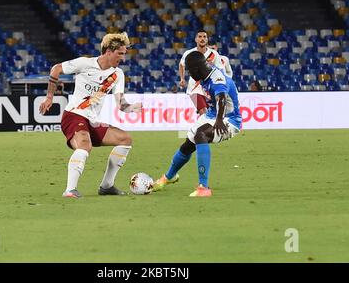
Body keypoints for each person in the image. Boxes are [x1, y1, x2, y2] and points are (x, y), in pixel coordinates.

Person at [39, 32, 142, 199]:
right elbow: (56, 69)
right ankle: (70, 190)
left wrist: (131, 108)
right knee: (85, 145)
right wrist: (49, 97)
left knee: (125, 139)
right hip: (74, 115)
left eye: (124, 54)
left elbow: (121, 104)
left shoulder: (118, 75)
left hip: (92, 121)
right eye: (120, 53)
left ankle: (107, 186)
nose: (122, 58)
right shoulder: (84, 63)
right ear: (108, 51)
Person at [153, 51, 241, 197]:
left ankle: (204, 188)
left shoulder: (217, 79)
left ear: (196, 69)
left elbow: (221, 98)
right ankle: (168, 177)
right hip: (211, 115)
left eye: (189, 71)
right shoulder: (205, 71)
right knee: (188, 146)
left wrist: (219, 120)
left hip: (228, 119)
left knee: (201, 134)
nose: (189, 75)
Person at [178, 30, 233, 115]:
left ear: (207, 40)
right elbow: (182, 64)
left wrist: (213, 67)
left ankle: (200, 128)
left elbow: (220, 70)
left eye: (204, 37)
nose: (202, 39)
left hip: (209, 88)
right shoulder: (189, 53)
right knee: (203, 111)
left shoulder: (214, 54)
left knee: (210, 115)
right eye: (200, 37)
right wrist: (182, 78)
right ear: (196, 39)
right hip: (194, 88)